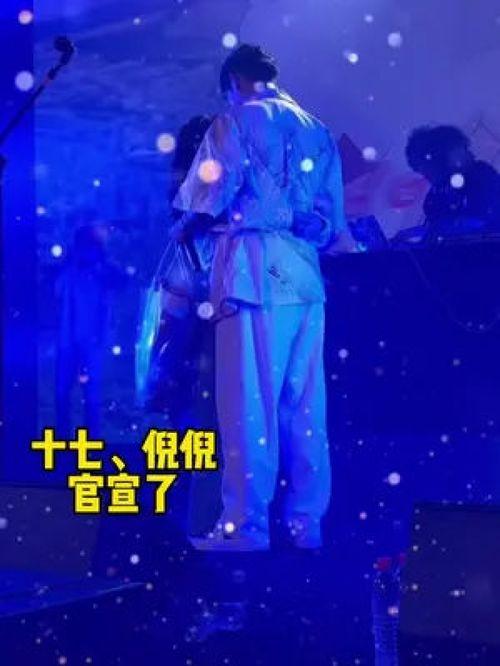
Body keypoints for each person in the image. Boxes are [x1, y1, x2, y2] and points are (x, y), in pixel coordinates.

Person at [173, 44, 354, 551]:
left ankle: (245, 526)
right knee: (304, 406)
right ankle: (305, 523)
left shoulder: (233, 122)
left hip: (254, 272)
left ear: (233, 81)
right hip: (303, 276)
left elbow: (209, 197)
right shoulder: (317, 129)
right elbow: (331, 222)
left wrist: (185, 224)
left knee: (247, 405)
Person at [405, 125, 500, 242]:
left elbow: (485, 222)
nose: (424, 173)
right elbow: (435, 226)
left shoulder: (483, 175)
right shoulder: (435, 196)